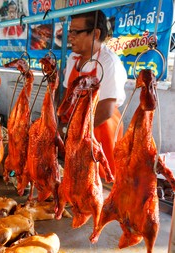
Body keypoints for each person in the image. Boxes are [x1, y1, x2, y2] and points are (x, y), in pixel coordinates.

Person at [60, 10, 127, 179]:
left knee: (102, 179)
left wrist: (76, 133)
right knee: (77, 177)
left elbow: (106, 110)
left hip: (101, 127)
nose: (70, 36)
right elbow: (66, 96)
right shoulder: (73, 58)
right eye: (70, 31)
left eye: (76, 32)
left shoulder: (108, 61)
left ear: (96, 33)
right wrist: (60, 122)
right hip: (77, 128)